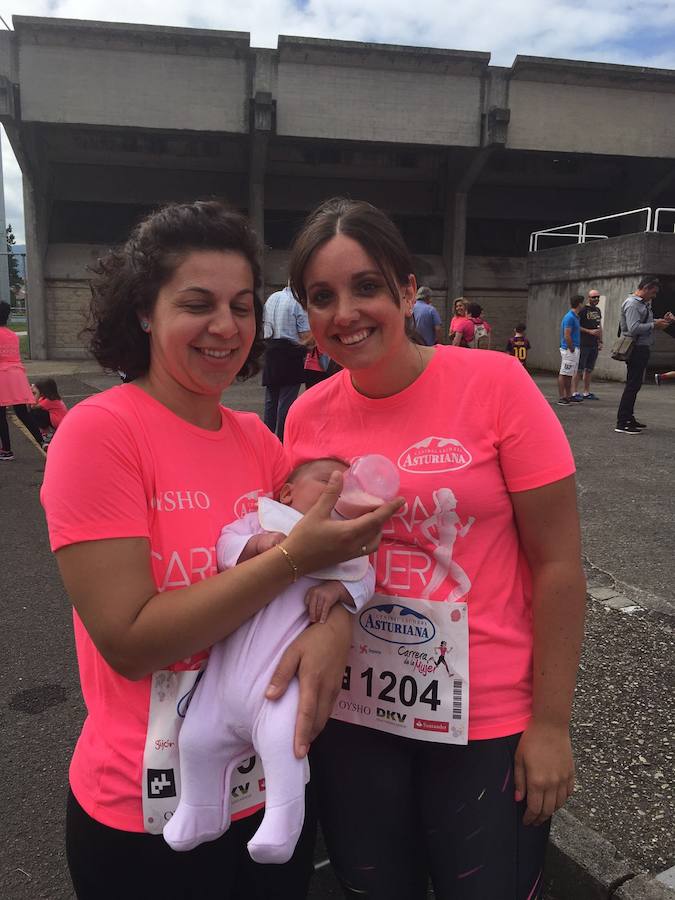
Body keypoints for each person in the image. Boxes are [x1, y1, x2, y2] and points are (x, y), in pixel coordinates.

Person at [40, 201, 399, 900]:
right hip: (141, 809)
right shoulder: (102, 434)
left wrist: (337, 623)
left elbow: (323, 570)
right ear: (145, 312)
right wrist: (288, 562)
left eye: (241, 306)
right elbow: (132, 640)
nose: (225, 327)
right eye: (197, 304)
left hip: (267, 793)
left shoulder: (257, 443)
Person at [285, 197, 586, 900]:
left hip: (484, 717)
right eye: (321, 296)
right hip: (354, 711)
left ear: (407, 288)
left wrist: (550, 722)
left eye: (365, 286)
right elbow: (297, 557)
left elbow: (558, 564)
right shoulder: (305, 416)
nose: (345, 313)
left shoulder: (496, 385)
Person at [164, 457, 375, 864]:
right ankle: (199, 809)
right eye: (327, 481)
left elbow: (365, 578)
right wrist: (256, 547)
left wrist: (337, 593)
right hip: (225, 675)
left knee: (285, 741)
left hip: (280, 678)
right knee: (195, 740)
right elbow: (225, 544)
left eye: (347, 488)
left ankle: (283, 820)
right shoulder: (261, 520)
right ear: (287, 493)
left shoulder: (341, 541)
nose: (338, 490)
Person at [615, 277, 673, 434]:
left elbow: (644, 322)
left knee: (635, 385)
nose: (654, 296)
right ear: (645, 288)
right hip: (636, 349)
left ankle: (628, 417)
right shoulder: (633, 304)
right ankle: (622, 422)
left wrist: (662, 321)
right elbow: (633, 328)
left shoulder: (641, 304)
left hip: (641, 348)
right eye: (653, 293)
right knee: (632, 385)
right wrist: (655, 325)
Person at [262, 283, 311, 439]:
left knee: (271, 400)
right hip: (290, 352)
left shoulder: (272, 298)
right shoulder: (297, 303)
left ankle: (266, 437)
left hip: (270, 350)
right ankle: (283, 440)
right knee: (286, 402)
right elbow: (305, 335)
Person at [0, 300, 47, 460]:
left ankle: (6, 450)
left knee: (0, 414)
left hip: (3, 374)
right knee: (22, 412)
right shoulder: (13, 335)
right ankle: (42, 441)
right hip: (17, 374)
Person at [572, 289, 603, 400]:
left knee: (589, 369)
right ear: (588, 298)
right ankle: (575, 392)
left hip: (594, 343)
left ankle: (586, 392)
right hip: (583, 343)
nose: (596, 299)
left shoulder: (598, 310)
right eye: (593, 297)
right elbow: (576, 326)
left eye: (597, 297)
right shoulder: (583, 310)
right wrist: (589, 331)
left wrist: (600, 341)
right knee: (579, 368)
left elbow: (599, 326)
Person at [557, 294, 584, 405]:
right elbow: (567, 334)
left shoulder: (575, 317)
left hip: (574, 349)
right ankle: (562, 397)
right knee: (564, 373)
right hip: (569, 350)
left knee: (569, 373)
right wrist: (571, 347)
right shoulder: (570, 317)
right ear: (579, 304)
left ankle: (568, 395)